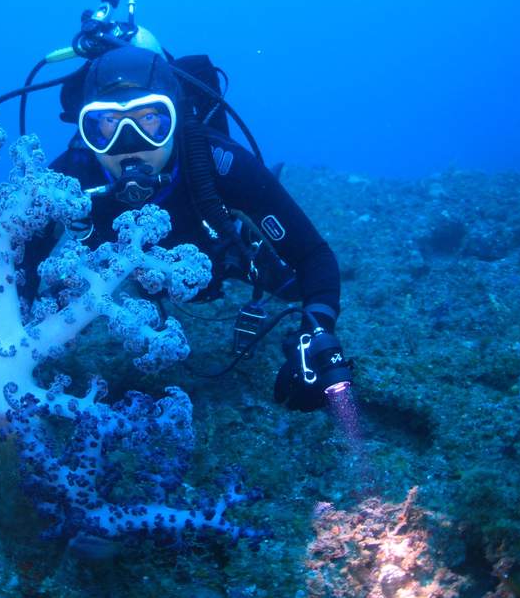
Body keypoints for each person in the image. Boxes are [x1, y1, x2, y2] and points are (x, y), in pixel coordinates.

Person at [18, 44, 351, 412]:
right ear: (86, 130)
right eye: (107, 124)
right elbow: (22, 261)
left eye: (150, 119)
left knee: (293, 288)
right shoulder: (69, 177)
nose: (129, 144)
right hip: (117, 267)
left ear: (174, 120)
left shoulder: (218, 161)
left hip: (220, 254)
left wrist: (317, 336)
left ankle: (247, 236)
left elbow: (314, 257)